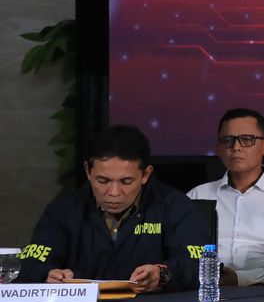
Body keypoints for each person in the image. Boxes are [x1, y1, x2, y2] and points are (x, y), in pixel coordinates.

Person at [19, 125, 207, 292]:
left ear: (145, 174)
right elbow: (30, 263)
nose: (114, 192)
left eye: (126, 181)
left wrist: (162, 274)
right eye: (103, 181)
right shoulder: (63, 210)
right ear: (88, 171)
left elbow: (200, 264)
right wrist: (47, 275)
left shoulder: (174, 206)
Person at [187, 108, 264, 285]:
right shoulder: (197, 196)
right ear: (219, 148)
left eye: (247, 140)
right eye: (227, 140)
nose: (236, 148)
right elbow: (179, 252)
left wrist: (239, 279)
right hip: (205, 288)